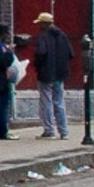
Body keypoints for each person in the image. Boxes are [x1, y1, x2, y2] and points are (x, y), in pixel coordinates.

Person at [32, 11, 77, 139]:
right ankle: (64, 131)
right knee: (59, 102)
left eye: (40, 23)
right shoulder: (62, 35)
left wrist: (37, 65)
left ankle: (49, 130)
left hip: (46, 74)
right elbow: (71, 54)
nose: (39, 26)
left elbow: (41, 53)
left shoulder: (43, 36)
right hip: (60, 74)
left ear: (44, 24)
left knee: (46, 101)